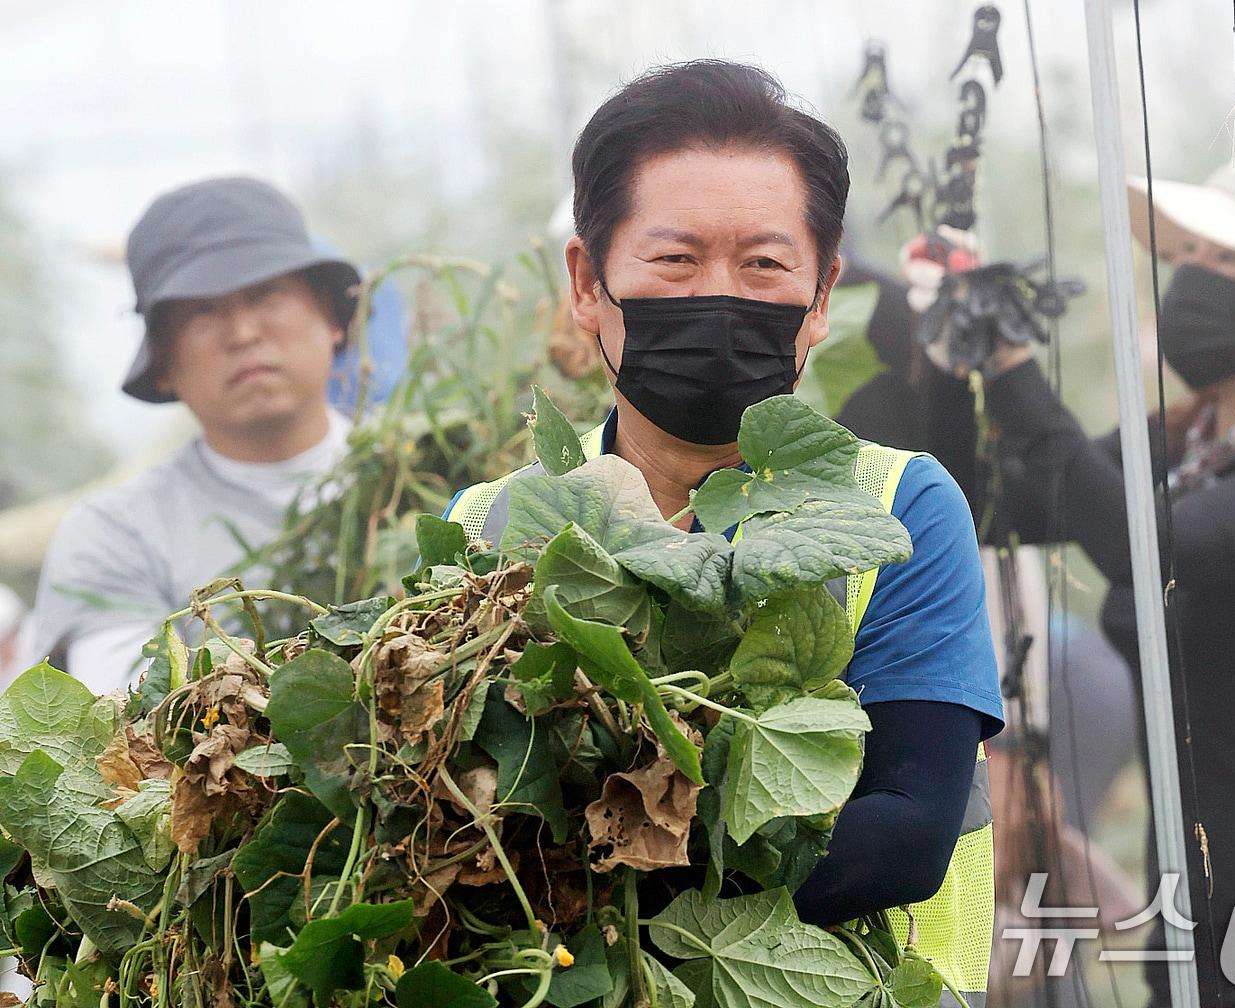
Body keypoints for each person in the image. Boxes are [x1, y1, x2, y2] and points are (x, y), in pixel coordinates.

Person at [444, 60, 1005, 1005]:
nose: (719, 297)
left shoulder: (897, 507)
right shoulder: (493, 522)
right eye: (674, 260)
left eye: (763, 265)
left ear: (820, 296)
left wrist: (585, 861)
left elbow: (907, 836)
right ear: (587, 284)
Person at [953, 134, 1235, 1006]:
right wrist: (947, 355)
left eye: (1229, 260)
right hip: (1194, 885)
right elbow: (1006, 501)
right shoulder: (1186, 439)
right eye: (1191, 251)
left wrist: (1012, 369)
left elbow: (1141, 546)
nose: (1194, 275)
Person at [27, 177, 361, 696]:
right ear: (162, 362)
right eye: (204, 309)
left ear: (332, 317)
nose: (244, 332)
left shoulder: (447, 481)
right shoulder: (114, 535)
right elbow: (131, 720)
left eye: (266, 293)